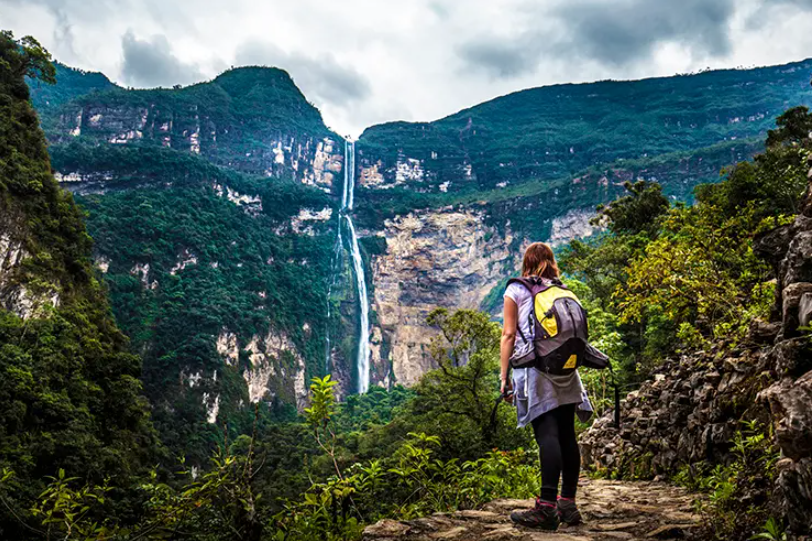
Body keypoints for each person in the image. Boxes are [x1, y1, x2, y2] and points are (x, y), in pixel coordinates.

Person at [500, 242, 593, 531]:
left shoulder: (516, 290)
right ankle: (568, 503)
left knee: (547, 435)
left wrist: (503, 377)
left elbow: (508, 334)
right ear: (551, 262)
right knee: (567, 435)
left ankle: (546, 508)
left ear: (527, 263)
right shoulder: (564, 290)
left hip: (536, 371)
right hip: (567, 369)